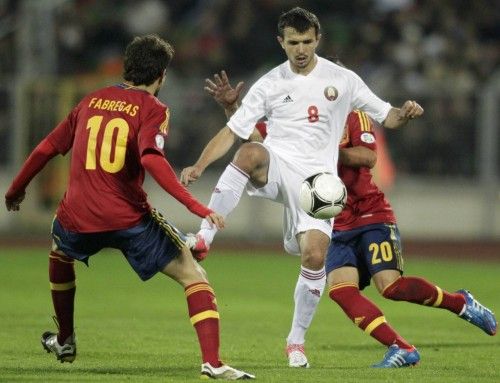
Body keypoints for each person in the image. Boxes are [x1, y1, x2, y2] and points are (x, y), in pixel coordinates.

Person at [180, 7, 423, 368]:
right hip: (278, 166)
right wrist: (200, 164)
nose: (301, 49)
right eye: (293, 42)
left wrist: (404, 113)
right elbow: (235, 132)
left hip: (319, 184)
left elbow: (387, 114)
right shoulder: (270, 83)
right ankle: (204, 237)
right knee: (249, 152)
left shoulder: (343, 79)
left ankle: (295, 343)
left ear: (317, 39)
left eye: (307, 41)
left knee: (313, 257)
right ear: (282, 42)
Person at [4, 35, 254, 380]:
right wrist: (197, 206)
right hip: (128, 217)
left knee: (59, 253)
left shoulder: (91, 100)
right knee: (194, 277)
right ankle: (212, 362)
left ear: (127, 67)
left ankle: (65, 340)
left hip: (78, 215)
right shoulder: (154, 109)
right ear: (161, 76)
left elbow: (47, 147)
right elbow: (152, 158)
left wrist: (15, 190)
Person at [326, 110, 497, 367]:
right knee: (341, 291)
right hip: (337, 223)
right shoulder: (303, 119)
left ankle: (460, 303)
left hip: (370, 215)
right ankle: (401, 347)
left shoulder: (354, 115)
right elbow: (263, 138)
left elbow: (369, 156)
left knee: (391, 287)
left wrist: (327, 150)